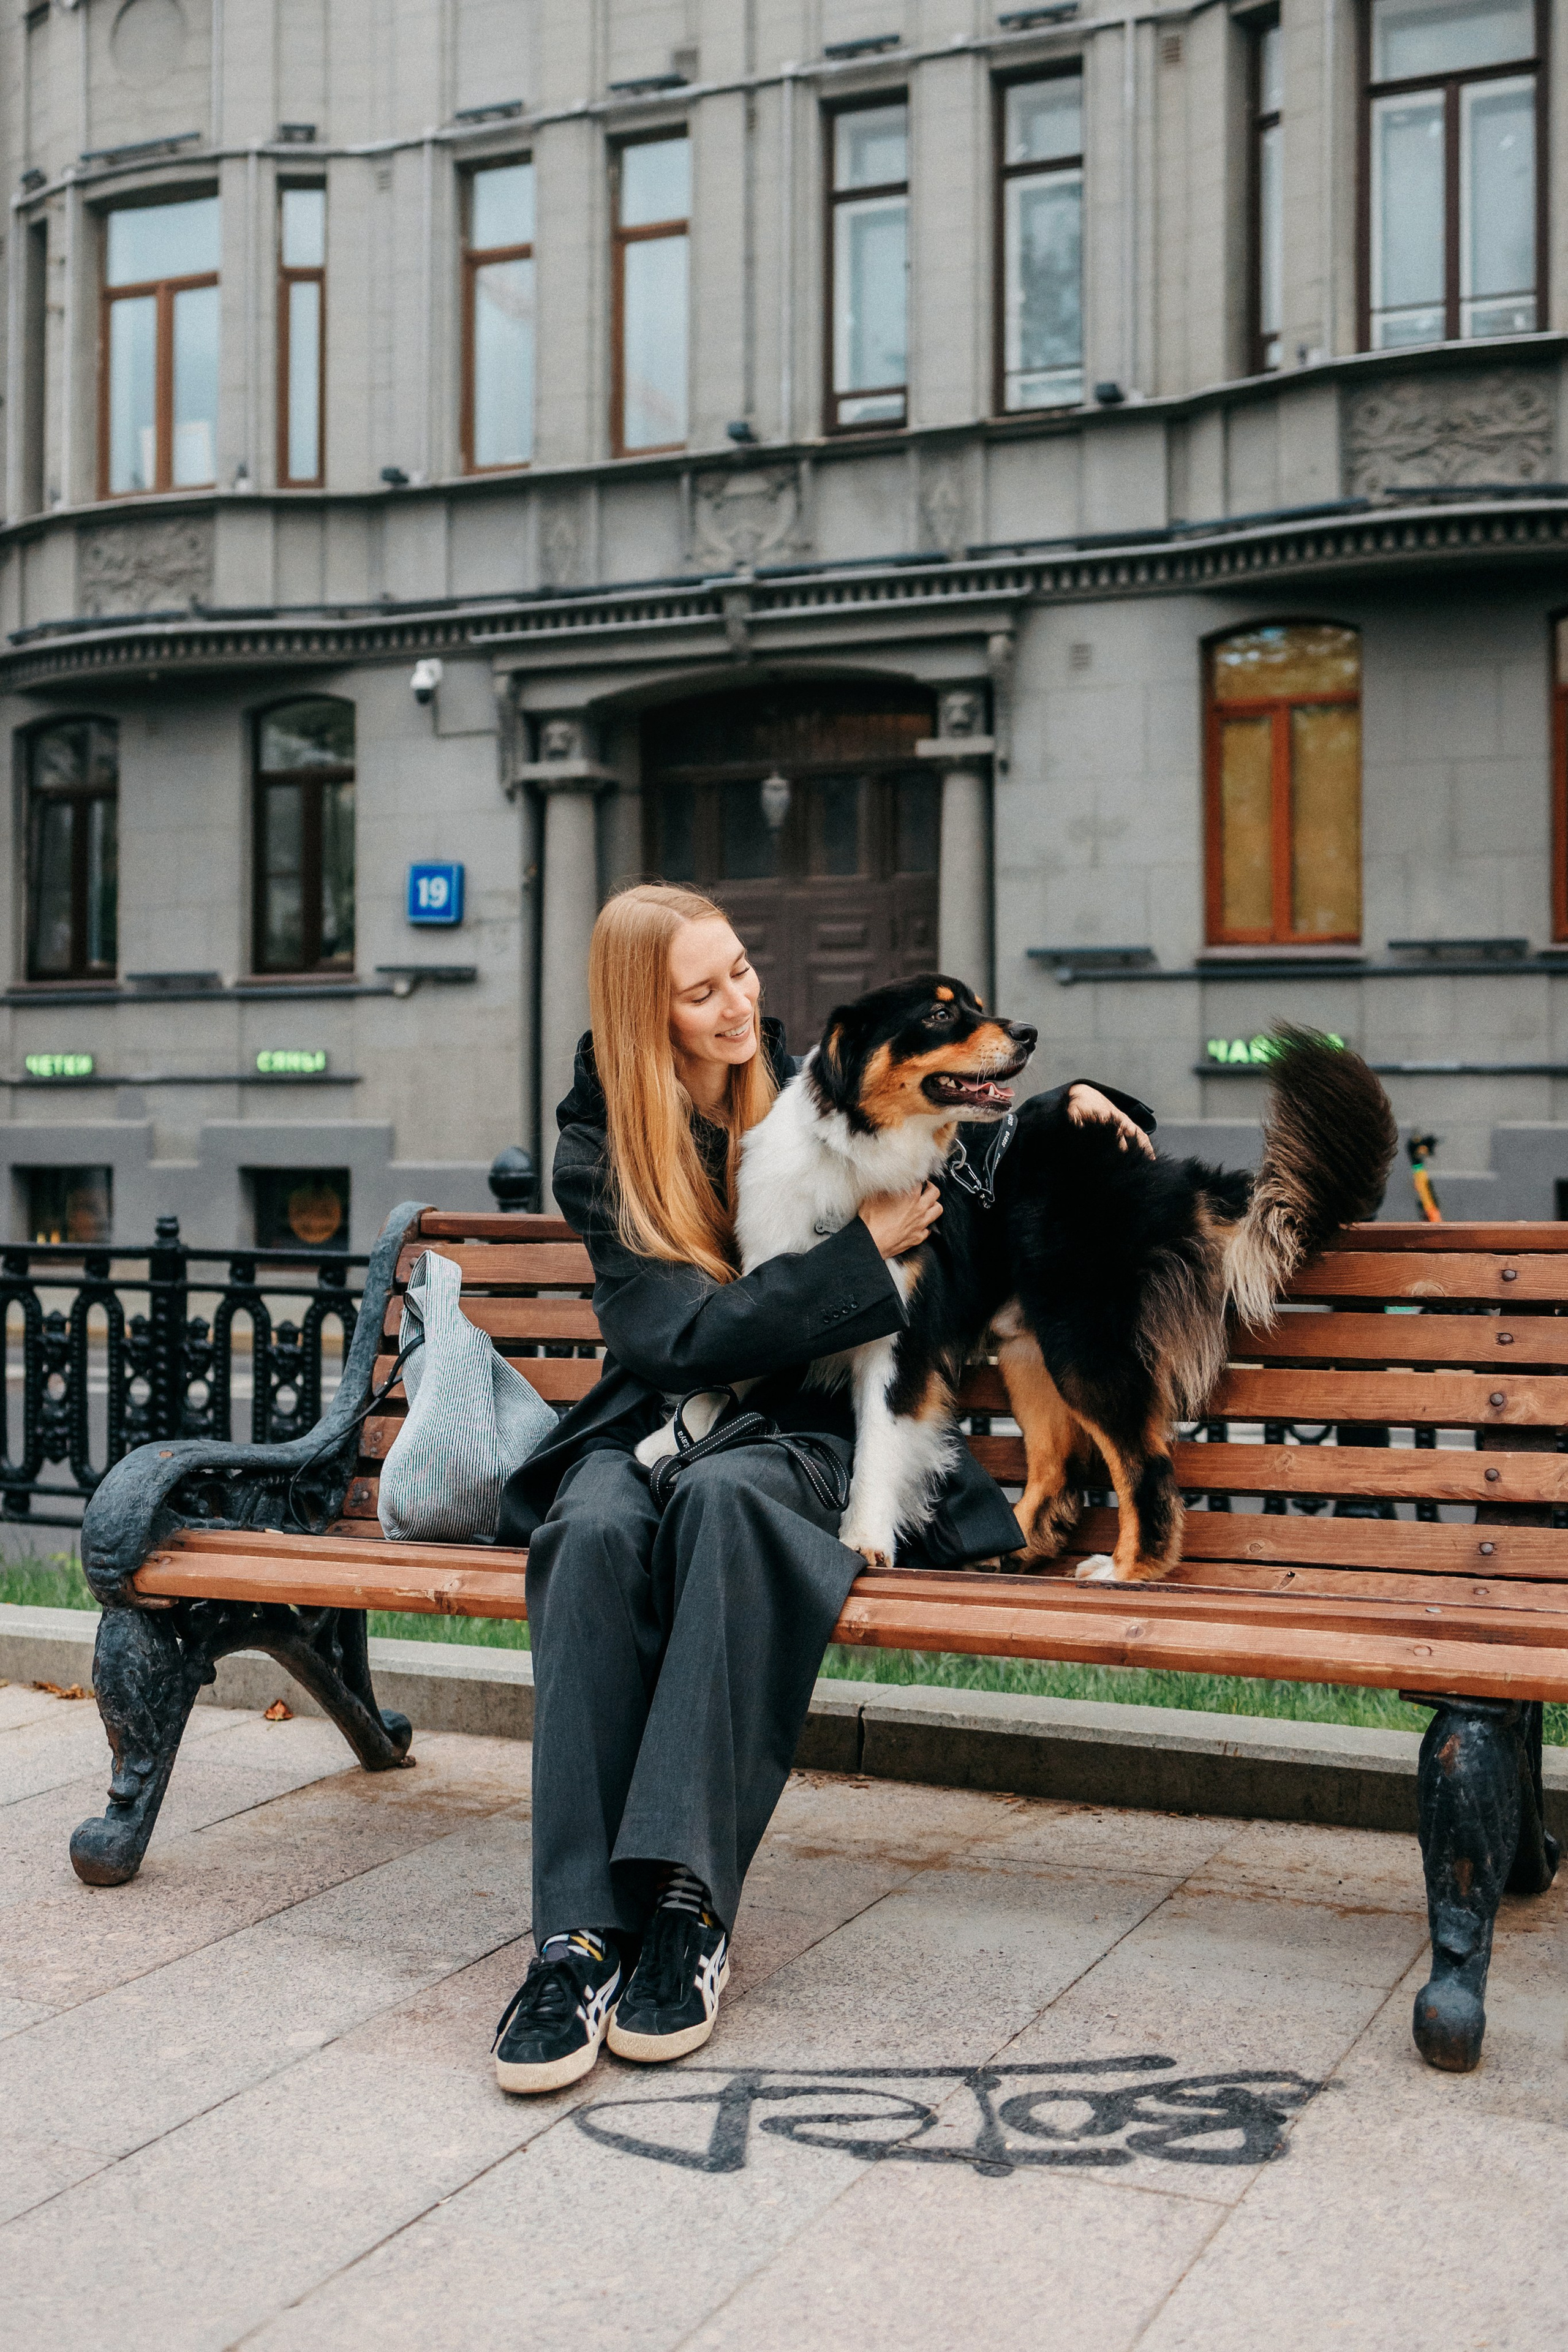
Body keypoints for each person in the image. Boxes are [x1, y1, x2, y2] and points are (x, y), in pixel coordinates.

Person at [489, 883, 1154, 2095]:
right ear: (645, 1014)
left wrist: (1065, 1108)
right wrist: (862, 1254)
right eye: (701, 993)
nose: (738, 1004)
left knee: (729, 1503)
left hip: (804, 1433)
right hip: (664, 1417)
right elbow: (674, 1339)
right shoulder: (603, 1143)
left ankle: (687, 1910)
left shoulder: (796, 1082)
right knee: (589, 1524)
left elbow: (931, 1124)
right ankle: (575, 1938)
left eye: (740, 970)